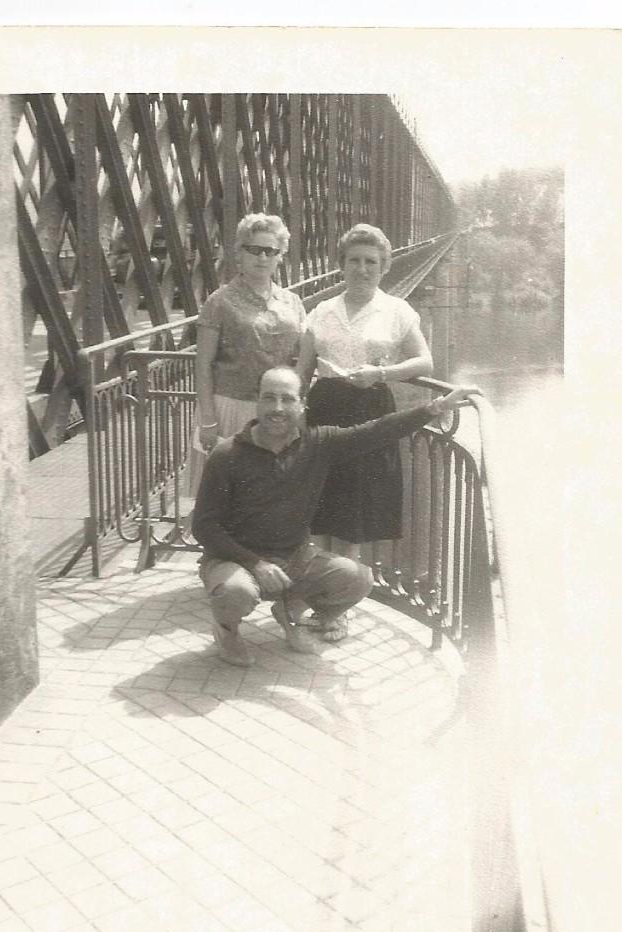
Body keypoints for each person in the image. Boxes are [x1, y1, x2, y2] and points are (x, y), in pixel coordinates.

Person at [192, 366, 478, 667]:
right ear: (257, 402)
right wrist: (256, 564)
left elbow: (378, 430)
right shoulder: (227, 455)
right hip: (235, 561)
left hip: (293, 557)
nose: (278, 409)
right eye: (269, 398)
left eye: (287, 400)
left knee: (357, 578)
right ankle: (227, 632)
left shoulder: (318, 444)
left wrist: (437, 406)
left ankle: (289, 611)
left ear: (302, 405)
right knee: (236, 591)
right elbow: (204, 526)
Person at [297, 223, 433, 560]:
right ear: (341, 265)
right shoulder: (322, 311)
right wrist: (295, 414)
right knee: (323, 504)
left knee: (356, 510)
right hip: (325, 410)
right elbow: (302, 372)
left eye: (371, 262)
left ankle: (339, 599)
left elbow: (425, 362)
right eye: (354, 260)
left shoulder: (397, 311)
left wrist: (382, 373)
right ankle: (324, 591)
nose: (362, 269)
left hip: (370, 410)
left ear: (385, 267)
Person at [187, 213, 307, 494]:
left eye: (270, 251)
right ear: (239, 253)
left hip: (277, 409)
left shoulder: (292, 302)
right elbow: (203, 365)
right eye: (253, 249)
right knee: (227, 495)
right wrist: (208, 420)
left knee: (272, 493)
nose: (262, 258)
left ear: (280, 256)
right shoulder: (219, 301)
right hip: (231, 409)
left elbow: (304, 359)